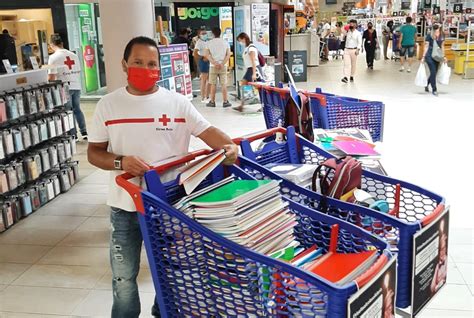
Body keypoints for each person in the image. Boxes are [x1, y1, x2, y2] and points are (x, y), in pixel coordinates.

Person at [87, 36, 238, 318]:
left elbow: (210, 133)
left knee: (170, 272)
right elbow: (94, 153)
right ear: (124, 65)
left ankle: (163, 312)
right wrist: (121, 161)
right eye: (138, 63)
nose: (145, 69)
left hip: (169, 206)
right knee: (123, 279)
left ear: (160, 67)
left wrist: (229, 146)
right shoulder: (108, 105)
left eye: (152, 64)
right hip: (125, 206)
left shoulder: (177, 103)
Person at [48, 34, 88, 140]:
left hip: (65, 87)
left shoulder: (53, 57)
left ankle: (73, 134)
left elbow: (52, 76)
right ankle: (84, 132)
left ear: (51, 45)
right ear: (62, 43)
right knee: (77, 109)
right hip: (76, 85)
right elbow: (78, 70)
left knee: (68, 111)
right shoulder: (73, 55)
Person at [234, 32, 263, 112]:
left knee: (260, 88)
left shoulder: (251, 48)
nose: (240, 42)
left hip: (255, 69)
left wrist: (254, 73)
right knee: (243, 84)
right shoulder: (247, 48)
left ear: (244, 38)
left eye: (240, 40)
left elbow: (253, 61)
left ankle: (263, 105)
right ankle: (242, 105)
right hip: (249, 69)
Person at [205, 27, 232, 108]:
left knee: (213, 84)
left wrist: (214, 63)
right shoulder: (225, 42)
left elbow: (207, 55)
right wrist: (222, 64)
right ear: (220, 33)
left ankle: (212, 102)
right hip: (223, 67)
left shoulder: (209, 43)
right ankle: (225, 101)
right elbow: (228, 54)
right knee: (224, 84)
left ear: (213, 34)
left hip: (213, 67)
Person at [422, 23, 446, 96]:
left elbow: (442, 46)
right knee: (433, 71)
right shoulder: (429, 35)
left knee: (434, 73)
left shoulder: (442, 35)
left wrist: (444, 56)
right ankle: (434, 89)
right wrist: (423, 56)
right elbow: (426, 46)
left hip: (437, 56)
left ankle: (427, 84)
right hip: (429, 55)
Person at [341, 19, 362, 83]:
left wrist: (358, 49)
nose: (351, 24)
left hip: (354, 50)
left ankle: (352, 75)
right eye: (350, 23)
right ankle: (345, 77)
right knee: (346, 64)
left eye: (353, 23)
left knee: (353, 64)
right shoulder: (347, 32)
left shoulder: (358, 33)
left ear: (356, 25)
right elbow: (342, 30)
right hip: (346, 49)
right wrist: (346, 26)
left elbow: (359, 42)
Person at [193, 28, 211, 104]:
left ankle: (207, 96)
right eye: (203, 33)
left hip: (210, 61)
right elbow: (195, 53)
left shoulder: (208, 41)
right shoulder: (199, 42)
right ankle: (203, 97)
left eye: (205, 33)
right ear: (199, 35)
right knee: (204, 80)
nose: (204, 35)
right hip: (203, 62)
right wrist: (202, 58)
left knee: (209, 80)